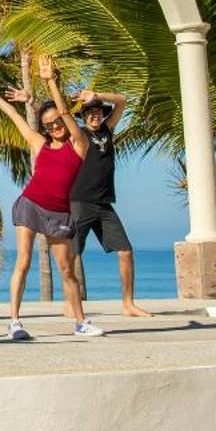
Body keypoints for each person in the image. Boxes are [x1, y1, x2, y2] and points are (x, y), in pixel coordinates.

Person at [0, 54, 102, 340]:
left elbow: (68, 116)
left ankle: (80, 322)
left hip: (59, 213)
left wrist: (50, 83)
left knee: (66, 269)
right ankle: (14, 322)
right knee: (23, 261)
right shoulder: (39, 143)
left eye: (57, 121)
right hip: (30, 206)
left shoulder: (79, 144)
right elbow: (11, 115)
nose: (55, 126)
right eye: (49, 125)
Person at [67, 89, 149, 318]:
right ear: (83, 116)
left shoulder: (108, 130)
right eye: (90, 112)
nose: (95, 115)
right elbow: (63, 116)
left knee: (125, 251)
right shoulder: (79, 134)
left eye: (98, 111)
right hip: (80, 201)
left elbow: (122, 101)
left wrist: (96, 95)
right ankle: (70, 305)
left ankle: (128, 304)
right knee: (71, 255)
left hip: (104, 203)